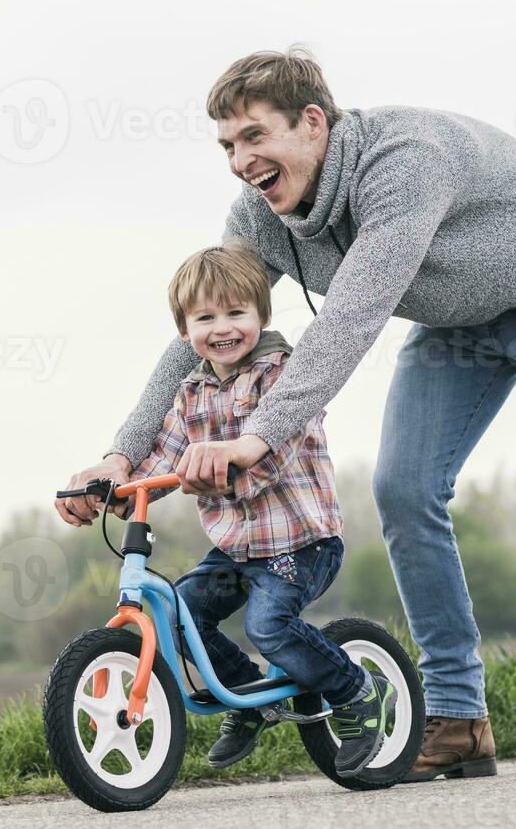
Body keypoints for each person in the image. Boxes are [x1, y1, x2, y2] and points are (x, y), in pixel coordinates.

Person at [56, 46, 516, 782]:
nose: (239, 160)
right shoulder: (259, 214)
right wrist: (121, 454)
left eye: (255, 136)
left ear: (311, 123)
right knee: (404, 491)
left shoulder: (401, 163)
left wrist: (255, 436)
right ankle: (455, 718)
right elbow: (200, 334)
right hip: (458, 319)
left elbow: (349, 319)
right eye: (227, 145)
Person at [108, 241, 395, 774]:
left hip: (301, 543)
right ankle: (250, 700)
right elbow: (167, 455)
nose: (223, 327)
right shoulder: (189, 391)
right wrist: (117, 492)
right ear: (183, 330)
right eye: (205, 317)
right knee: (177, 613)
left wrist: (224, 466)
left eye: (236, 312)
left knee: (269, 626)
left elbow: (275, 454)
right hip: (238, 549)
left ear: (261, 315)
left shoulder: (283, 373)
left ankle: (358, 693)